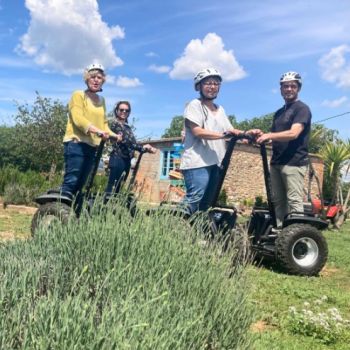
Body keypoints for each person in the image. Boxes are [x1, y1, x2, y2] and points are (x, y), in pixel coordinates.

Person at [180, 68, 246, 215]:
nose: (212, 87)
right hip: (197, 163)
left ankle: (196, 234)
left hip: (215, 162)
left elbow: (230, 131)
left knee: (207, 205)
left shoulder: (220, 109)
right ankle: (172, 227)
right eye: (208, 83)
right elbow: (197, 131)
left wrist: (248, 134)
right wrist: (224, 135)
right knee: (194, 199)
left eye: (216, 83)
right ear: (199, 86)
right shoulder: (194, 105)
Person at [256, 71, 311, 227]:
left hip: (294, 162)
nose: (288, 89)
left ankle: (296, 234)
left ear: (298, 88)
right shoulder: (279, 113)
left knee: (294, 201)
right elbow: (274, 138)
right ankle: (281, 233)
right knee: (278, 201)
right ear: (281, 89)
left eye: (292, 86)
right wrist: (259, 139)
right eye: (285, 86)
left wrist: (269, 135)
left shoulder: (302, 109)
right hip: (276, 162)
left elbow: (294, 133)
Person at [61, 63, 121, 198]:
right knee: (72, 181)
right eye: (92, 77)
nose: (96, 80)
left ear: (103, 81)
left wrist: (114, 135)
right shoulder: (78, 95)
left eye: (99, 78)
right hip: (76, 143)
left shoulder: (102, 100)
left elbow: (104, 124)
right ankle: (58, 213)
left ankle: (73, 215)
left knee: (82, 183)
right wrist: (96, 131)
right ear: (87, 79)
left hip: (92, 146)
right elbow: (78, 119)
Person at [105, 101, 156, 195]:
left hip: (126, 160)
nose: (124, 112)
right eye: (121, 110)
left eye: (126, 110)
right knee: (112, 187)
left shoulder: (127, 127)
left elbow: (133, 143)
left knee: (119, 188)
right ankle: (104, 207)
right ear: (116, 110)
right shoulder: (114, 124)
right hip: (117, 158)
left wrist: (144, 148)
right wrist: (143, 148)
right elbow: (126, 142)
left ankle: (113, 208)